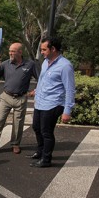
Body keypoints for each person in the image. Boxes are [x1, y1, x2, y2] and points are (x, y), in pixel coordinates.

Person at [30, 36, 75, 168]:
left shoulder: (65, 66)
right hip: (40, 102)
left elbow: (70, 89)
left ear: (53, 49)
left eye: (44, 49)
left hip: (53, 104)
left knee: (46, 132)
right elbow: (42, 80)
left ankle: (46, 159)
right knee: (36, 128)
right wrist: (36, 91)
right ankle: (40, 152)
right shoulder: (45, 62)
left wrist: (67, 111)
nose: (42, 52)